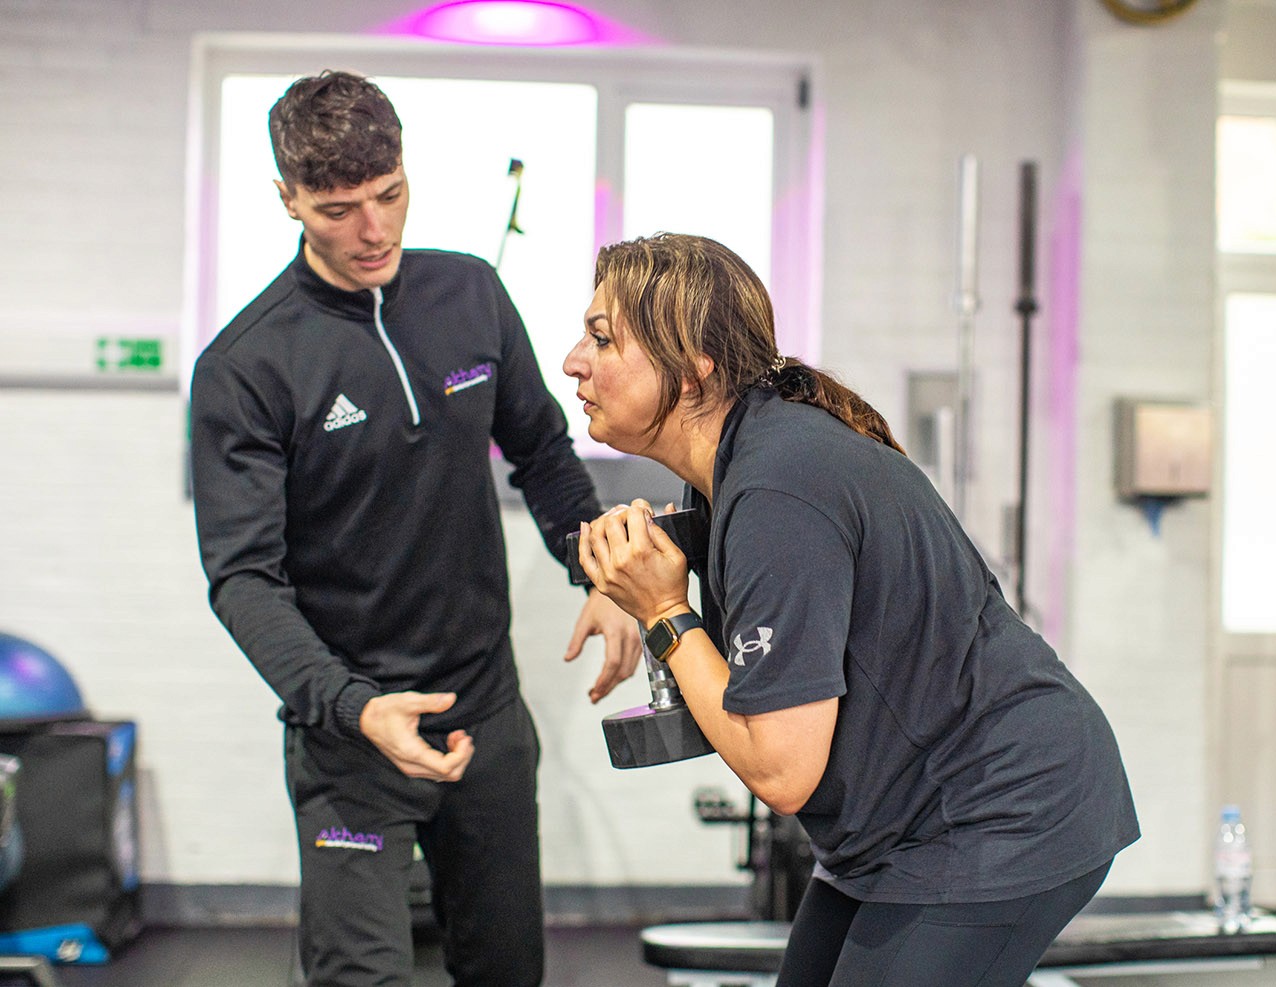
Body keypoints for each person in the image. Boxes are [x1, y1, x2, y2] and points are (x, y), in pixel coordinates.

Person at [566, 233, 1140, 987]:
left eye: (602, 338)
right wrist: (629, 586)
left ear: (694, 361)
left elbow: (781, 770)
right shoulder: (737, 469)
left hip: (1002, 810)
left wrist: (666, 611)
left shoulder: (779, 484)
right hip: (895, 828)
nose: (575, 359)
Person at [189, 70, 640, 987]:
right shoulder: (247, 366)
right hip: (352, 736)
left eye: (389, 194)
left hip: (486, 714)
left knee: (507, 972)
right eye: (338, 208)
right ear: (289, 201)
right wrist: (351, 704)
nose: (373, 231)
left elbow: (546, 456)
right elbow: (243, 578)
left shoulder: (467, 295)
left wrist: (603, 573)